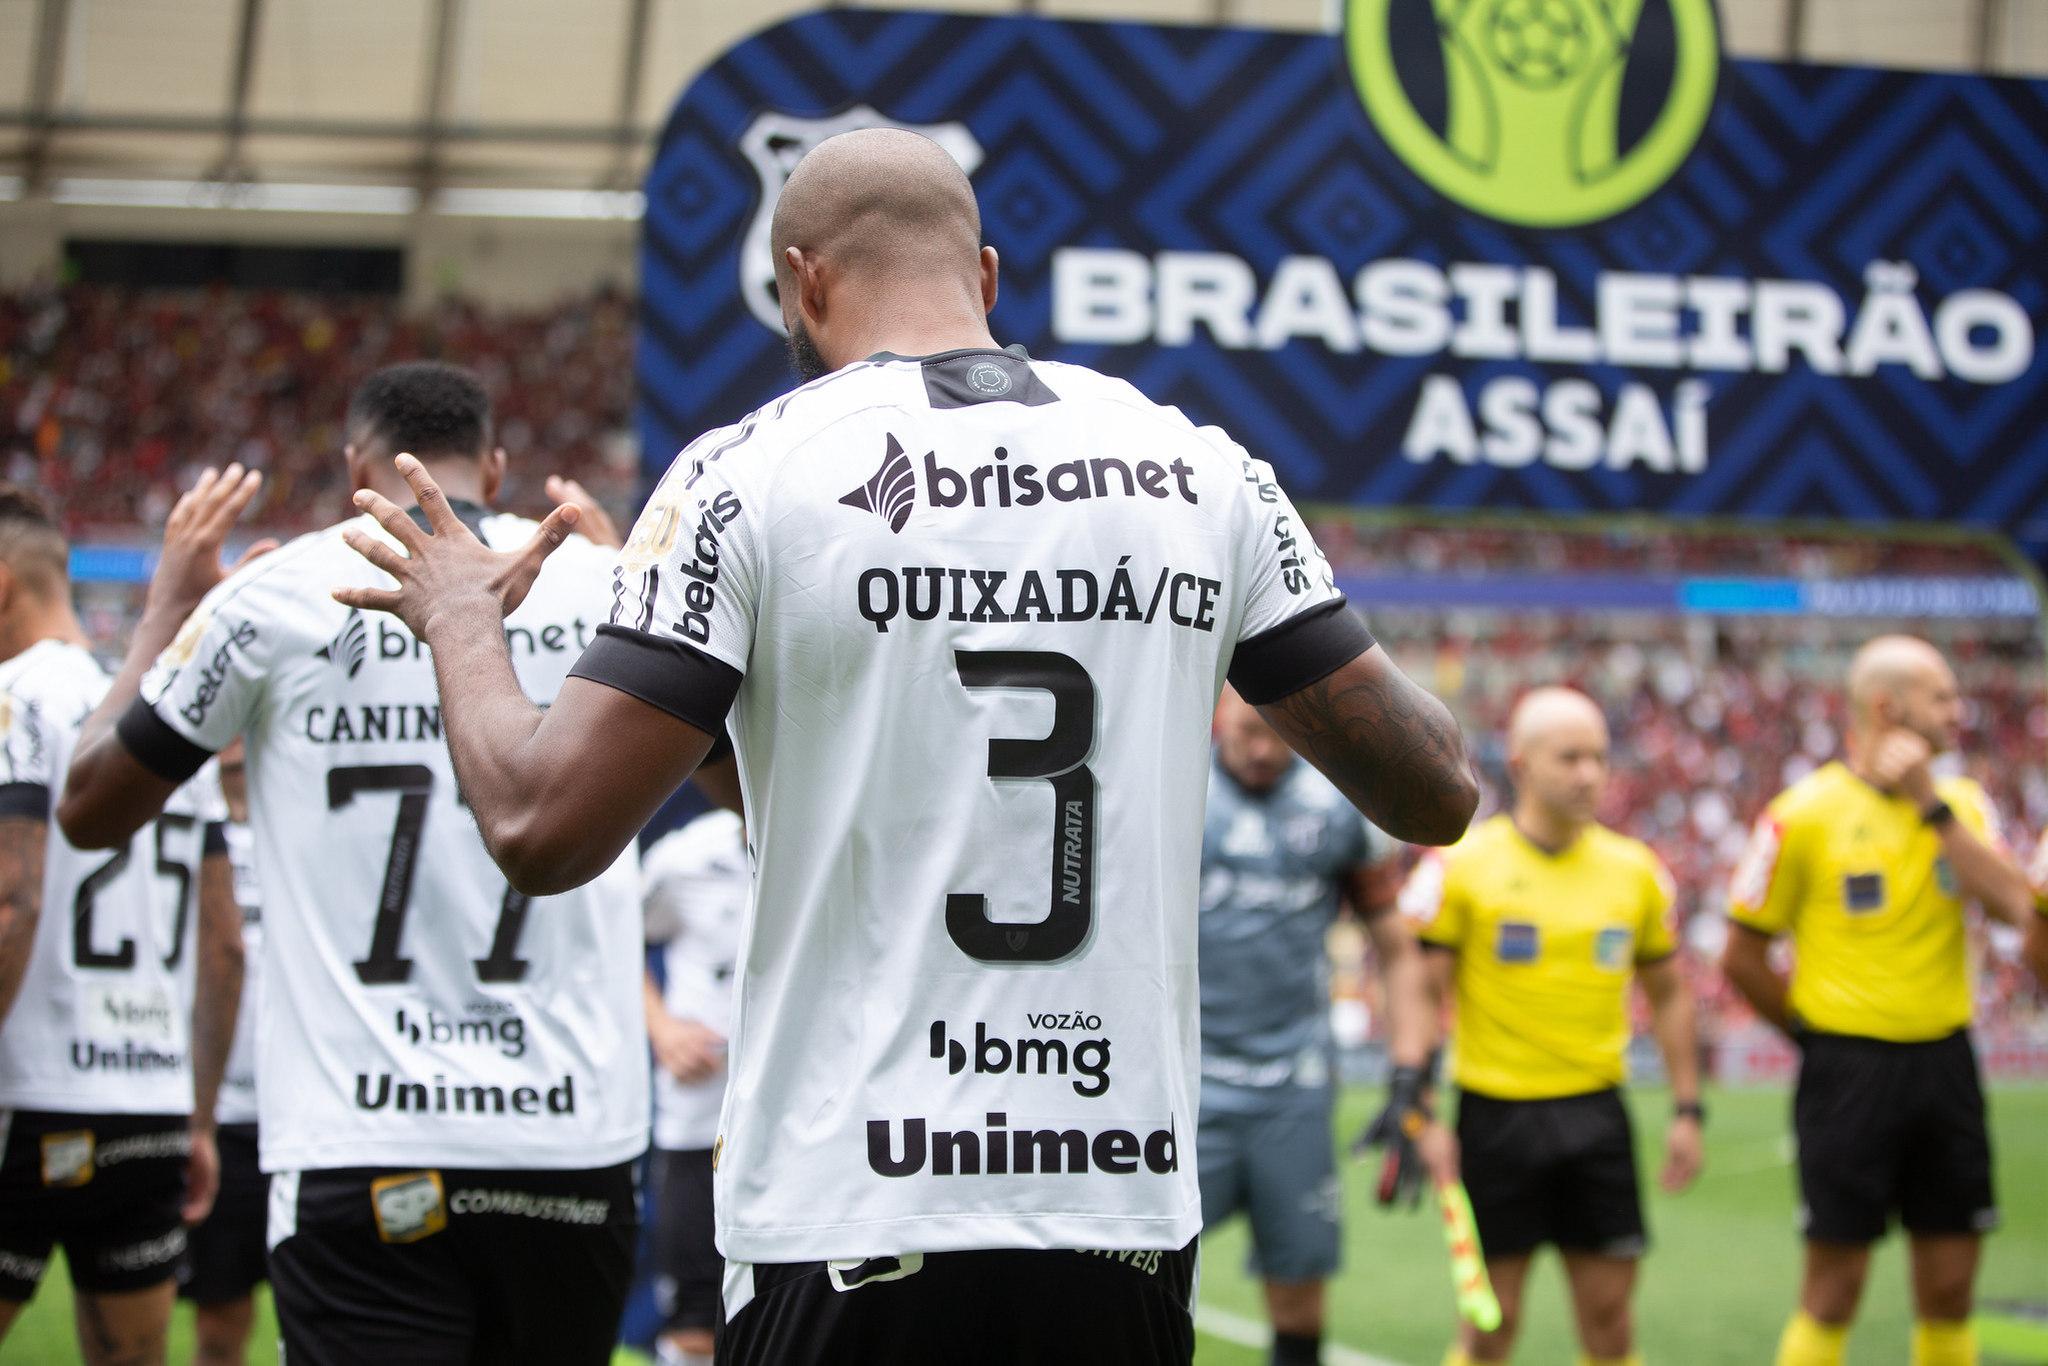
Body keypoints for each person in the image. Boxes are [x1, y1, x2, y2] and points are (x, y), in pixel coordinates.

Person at [306, 127, 1477, 1364]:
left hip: (849, 1219)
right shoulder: (1204, 470)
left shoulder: (746, 473)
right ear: (983, 270)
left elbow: (543, 828)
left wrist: (456, 621)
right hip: (1115, 1223)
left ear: (802, 283)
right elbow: (1436, 789)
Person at [58, 364, 650, 1366]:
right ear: (497, 464)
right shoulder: (604, 582)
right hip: (567, 1142)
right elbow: (736, 785)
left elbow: (88, 806)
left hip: (357, 1140)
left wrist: (164, 611)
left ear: (351, 467)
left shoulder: (273, 594)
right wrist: (630, 581)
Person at [1720, 636, 2033, 1366]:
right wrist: (1814, 1034)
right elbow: (1741, 955)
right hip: (1846, 1072)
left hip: (1947, 1063)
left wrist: (1932, 807)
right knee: (1835, 1288)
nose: (1960, 711)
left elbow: (2019, 907)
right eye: (1943, 697)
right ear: (1887, 707)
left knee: (1952, 1287)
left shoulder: (1964, 806)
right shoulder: (1801, 813)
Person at [0, 486, 240, 1366]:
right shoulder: (167, 724)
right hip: (150, 1107)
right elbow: (224, 944)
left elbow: (11, 902)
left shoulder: (11, 700)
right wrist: (202, 1120)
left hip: (26, 1096)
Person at [1406, 687, 1702, 1366]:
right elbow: (1420, 994)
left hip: (1598, 1117)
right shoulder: (1461, 867)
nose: (1589, 774)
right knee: (1490, 1324)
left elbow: (1671, 996)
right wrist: (1423, 1111)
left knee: (1609, 1321)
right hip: (1496, 1118)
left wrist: (1688, 1109)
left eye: (1599, 757)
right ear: (1520, 764)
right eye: (1569, 757)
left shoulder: (1637, 873)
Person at [1196, 686, 1447, 1366]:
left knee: (1300, 1298)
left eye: (1279, 735)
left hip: (1295, 1089)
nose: (1262, 750)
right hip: (1182, 1089)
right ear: (1220, 716)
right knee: (1145, 1286)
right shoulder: (1175, 789)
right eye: (1248, 732)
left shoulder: (1341, 806)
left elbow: (1396, 950)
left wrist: (1407, 1074)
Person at [642, 808, 750, 1366]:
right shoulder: (683, 856)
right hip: (698, 1122)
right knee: (696, 1322)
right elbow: (614, 936)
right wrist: (662, 1028)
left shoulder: (838, 830)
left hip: (803, 1118)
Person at [177, 740, 267, 1365]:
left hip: (314, 1116)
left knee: (339, 1321)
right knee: (219, 1328)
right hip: (224, 1120)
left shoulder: (307, 819)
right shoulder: (187, 829)